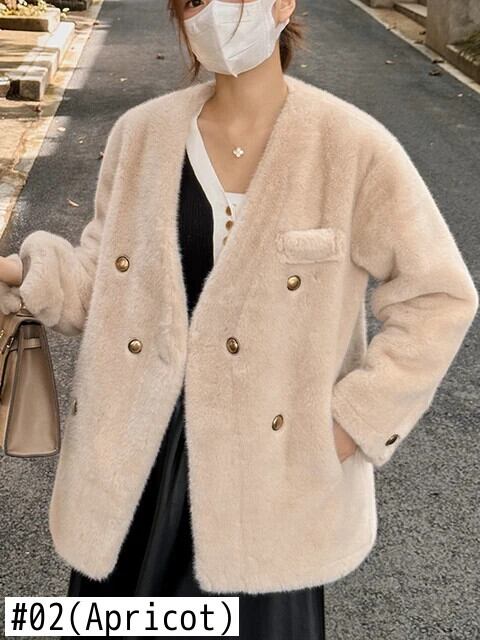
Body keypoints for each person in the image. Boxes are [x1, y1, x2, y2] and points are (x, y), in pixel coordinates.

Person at [0, 0, 477, 638]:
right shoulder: (140, 136)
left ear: (284, 4)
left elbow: (438, 295)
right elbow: (103, 278)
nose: (213, 10)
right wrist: (24, 274)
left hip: (271, 482)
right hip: (136, 468)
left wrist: (349, 425)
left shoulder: (351, 147)